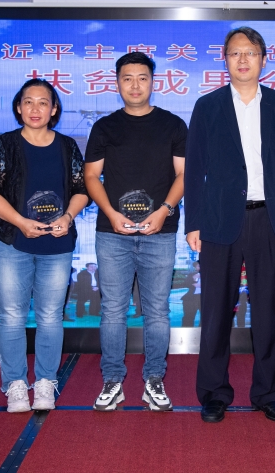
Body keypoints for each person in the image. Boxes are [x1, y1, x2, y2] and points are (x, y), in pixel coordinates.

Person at [185, 26, 275, 423]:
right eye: (235, 53)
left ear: (263, 60)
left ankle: (268, 394)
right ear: (225, 59)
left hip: (269, 219)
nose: (242, 60)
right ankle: (214, 393)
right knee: (216, 311)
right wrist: (193, 223)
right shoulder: (208, 106)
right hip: (219, 220)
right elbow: (194, 169)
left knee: (268, 311)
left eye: (250, 53)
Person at [85, 52, 187, 412]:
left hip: (160, 231)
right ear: (117, 83)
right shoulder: (105, 127)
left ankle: (154, 379)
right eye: (127, 78)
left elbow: (183, 174)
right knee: (113, 310)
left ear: (153, 82)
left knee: (157, 311)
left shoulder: (173, 125)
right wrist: (111, 213)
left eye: (142, 78)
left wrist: (165, 210)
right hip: (113, 233)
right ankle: (112, 380)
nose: (135, 85)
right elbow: (91, 176)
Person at [0, 78, 88, 413]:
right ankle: (14, 384)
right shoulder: (6, 144)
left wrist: (68, 216)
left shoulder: (67, 146)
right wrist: (20, 222)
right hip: (13, 242)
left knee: (50, 316)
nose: (35, 108)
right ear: (18, 107)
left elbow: (81, 189)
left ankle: (45, 381)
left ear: (54, 109)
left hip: (57, 243)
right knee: (12, 315)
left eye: (43, 102)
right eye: (28, 101)